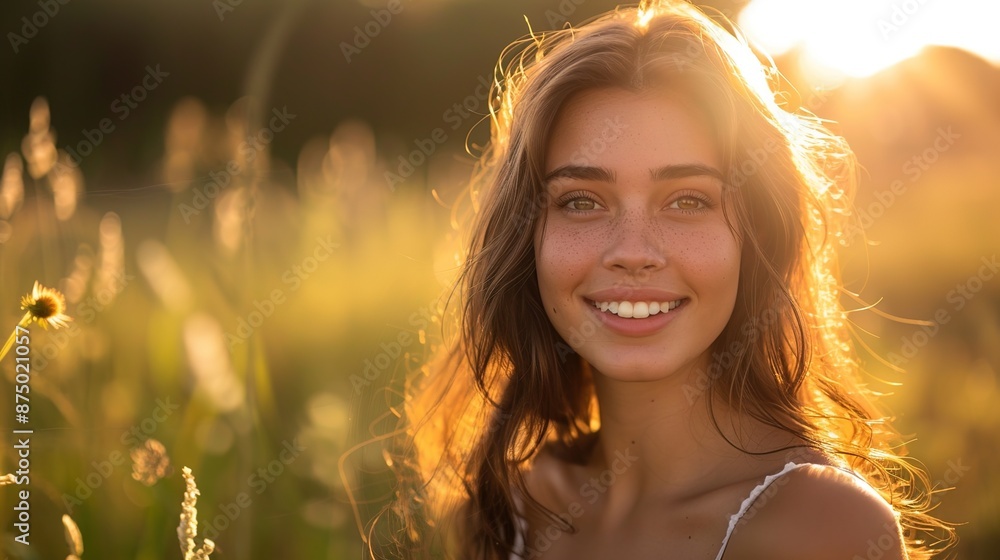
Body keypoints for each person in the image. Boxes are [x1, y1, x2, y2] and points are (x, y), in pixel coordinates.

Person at [355, 1, 956, 558]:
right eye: (582, 201)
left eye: (688, 200)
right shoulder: (514, 501)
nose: (633, 252)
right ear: (526, 238)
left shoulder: (822, 527)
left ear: (757, 235)